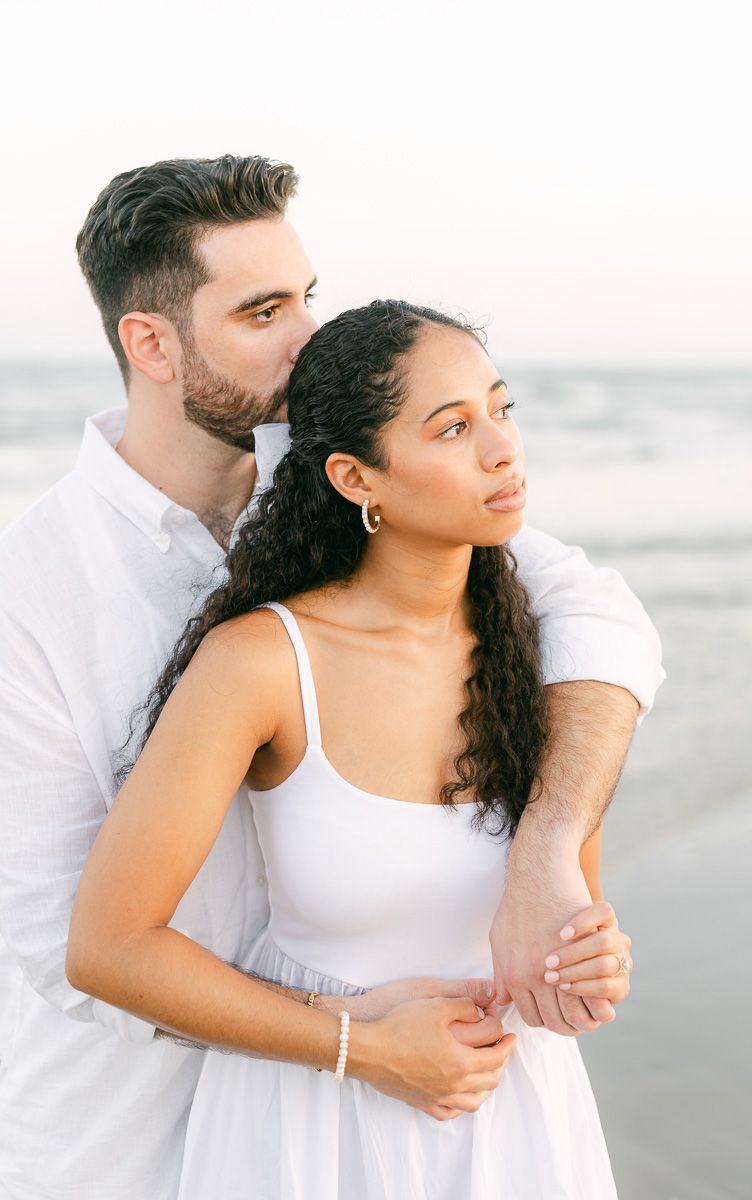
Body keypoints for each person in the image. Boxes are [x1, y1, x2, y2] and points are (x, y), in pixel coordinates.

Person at [0, 156, 661, 1200]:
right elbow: (61, 947)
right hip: (124, 1142)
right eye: (264, 311)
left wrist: (547, 851)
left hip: (444, 1099)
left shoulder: (352, 513)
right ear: (151, 343)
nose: (308, 336)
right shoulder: (32, 595)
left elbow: (603, 622)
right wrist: (354, 1042)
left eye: (307, 295)